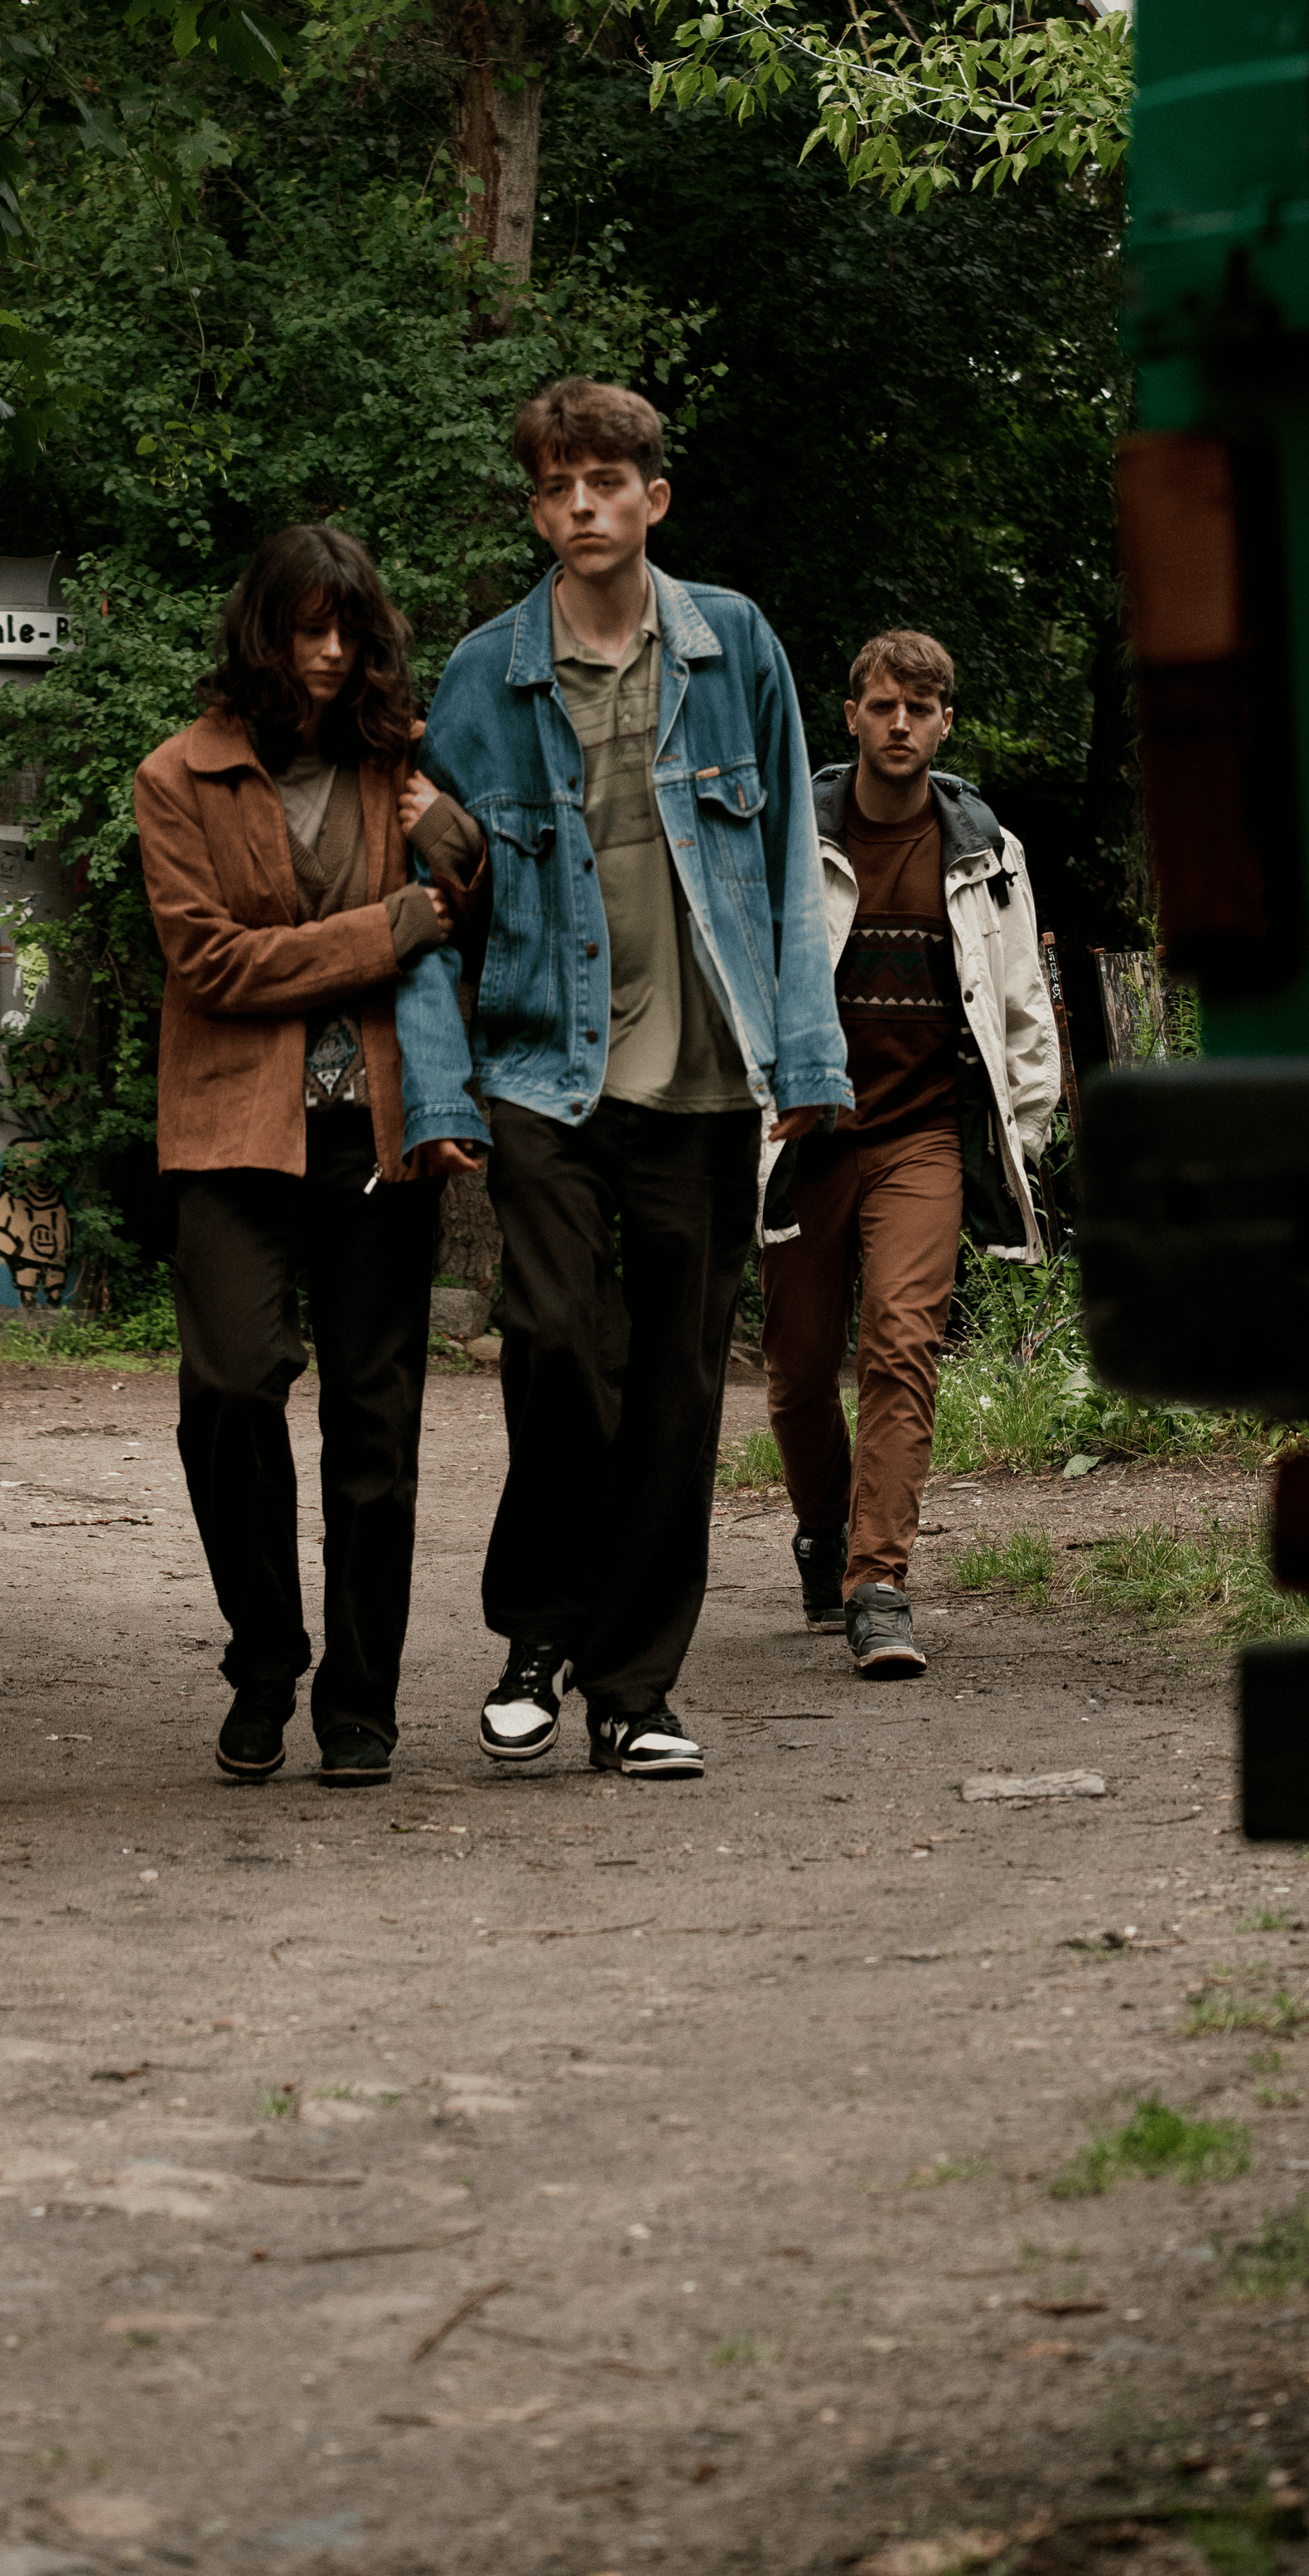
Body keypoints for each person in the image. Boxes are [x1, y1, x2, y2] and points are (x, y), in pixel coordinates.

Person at [394, 378, 851, 1780]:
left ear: (656, 498)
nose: (581, 505)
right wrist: (440, 1090)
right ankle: (538, 1632)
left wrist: (807, 1058)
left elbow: (783, 864)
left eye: (606, 482)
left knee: (671, 1391)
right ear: (536, 509)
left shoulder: (736, 648)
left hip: (705, 1078)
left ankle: (634, 1691)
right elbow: (431, 897)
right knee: (552, 1348)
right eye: (555, 486)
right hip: (544, 1067)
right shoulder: (485, 672)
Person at [134, 526, 485, 1790]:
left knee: (374, 1421)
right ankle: (265, 1653)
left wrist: (453, 840)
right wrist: (384, 926)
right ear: (262, 631)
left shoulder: (399, 763)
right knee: (228, 1389)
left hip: (380, 1132)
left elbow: (474, 917)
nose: (330, 654)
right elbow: (211, 963)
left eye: (349, 630)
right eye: (306, 628)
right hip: (233, 1128)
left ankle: (360, 1699)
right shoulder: (177, 775)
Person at [759, 629, 1058, 1676]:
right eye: (881, 705)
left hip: (926, 1136)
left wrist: (1017, 1134)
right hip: (807, 1137)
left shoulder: (987, 851)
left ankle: (877, 1581)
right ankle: (822, 1526)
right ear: (851, 715)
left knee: (900, 1344)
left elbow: (1022, 1008)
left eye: (918, 709)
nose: (899, 724)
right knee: (797, 1374)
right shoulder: (788, 837)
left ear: (942, 723)